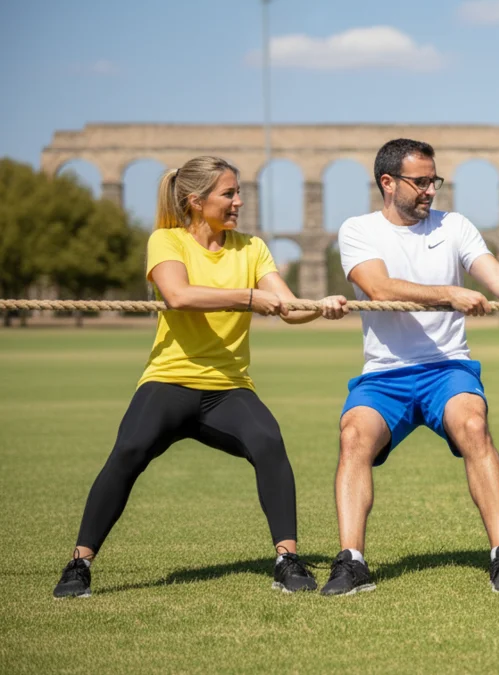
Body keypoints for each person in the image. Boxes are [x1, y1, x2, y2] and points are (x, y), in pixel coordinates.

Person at [53, 156, 349, 599]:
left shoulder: (252, 248)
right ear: (196, 201)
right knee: (129, 451)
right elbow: (179, 295)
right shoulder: (166, 241)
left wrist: (319, 306)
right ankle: (79, 564)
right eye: (228, 193)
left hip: (228, 388)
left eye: (238, 192)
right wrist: (248, 297)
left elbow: (287, 308)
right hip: (169, 382)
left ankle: (287, 559)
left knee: (269, 442)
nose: (239, 201)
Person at [321, 138, 499, 596]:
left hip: (448, 368)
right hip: (385, 374)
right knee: (353, 436)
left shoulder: (455, 226)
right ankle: (352, 562)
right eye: (419, 182)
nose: (429, 191)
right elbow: (378, 288)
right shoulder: (358, 230)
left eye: (433, 181)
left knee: (473, 426)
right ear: (388, 182)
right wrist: (448, 293)